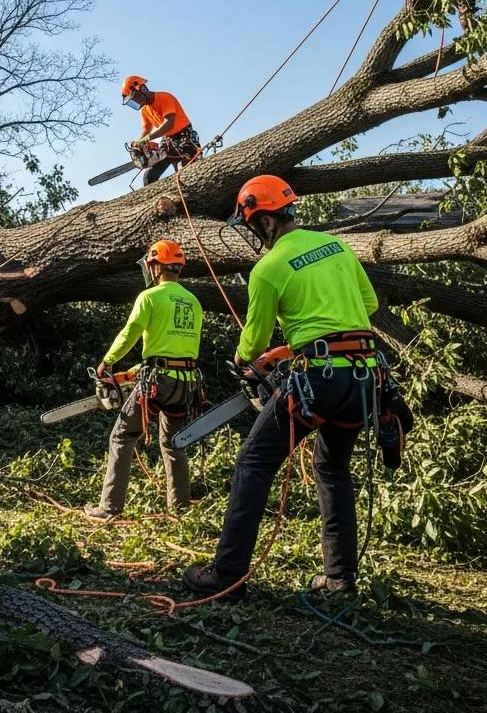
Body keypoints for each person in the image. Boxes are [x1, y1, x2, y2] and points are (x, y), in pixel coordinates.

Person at [183, 175, 379, 598]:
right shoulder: (338, 246)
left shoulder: (268, 269)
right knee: (331, 469)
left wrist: (247, 360)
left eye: (254, 225)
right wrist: (290, 350)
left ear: (267, 222)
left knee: (254, 462)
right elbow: (367, 307)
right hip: (363, 377)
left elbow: (251, 344)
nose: (255, 233)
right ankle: (340, 577)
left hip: (319, 382)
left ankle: (227, 574)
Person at [84, 239, 203, 522]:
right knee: (173, 443)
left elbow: (130, 332)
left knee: (122, 436)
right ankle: (180, 507)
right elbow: (177, 349)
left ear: (158, 266)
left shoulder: (149, 297)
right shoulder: (193, 301)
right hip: (185, 383)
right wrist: (140, 367)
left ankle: (109, 507)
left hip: (157, 382)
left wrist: (107, 363)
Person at [121, 76, 200, 185]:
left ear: (143, 89)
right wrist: (138, 143)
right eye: (133, 101)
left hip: (184, 137)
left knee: (184, 172)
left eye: (136, 98)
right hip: (168, 141)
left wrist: (147, 139)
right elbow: (146, 129)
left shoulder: (164, 97)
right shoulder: (144, 110)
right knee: (149, 176)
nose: (137, 102)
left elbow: (168, 124)